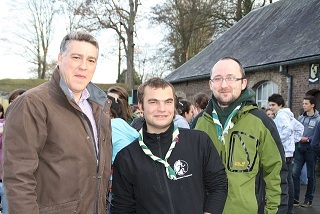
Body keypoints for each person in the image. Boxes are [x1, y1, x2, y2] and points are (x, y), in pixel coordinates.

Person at [2, 31, 112, 213]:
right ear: (60, 59)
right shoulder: (33, 104)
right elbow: (18, 177)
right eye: (76, 57)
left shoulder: (99, 107)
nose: (83, 66)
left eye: (91, 60)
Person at [111, 77, 228, 213]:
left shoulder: (199, 142)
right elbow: (122, 208)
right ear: (141, 106)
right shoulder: (126, 158)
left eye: (168, 102)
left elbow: (219, 185)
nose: (162, 109)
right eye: (154, 102)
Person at [194, 57, 288, 214]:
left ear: (243, 82)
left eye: (230, 78)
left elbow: (276, 174)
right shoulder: (199, 123)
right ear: (211, 84)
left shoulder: (261, 122)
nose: (224, 85)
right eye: (218, 79)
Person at [268, 93, 303, 214]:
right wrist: (293, 142)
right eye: (270, 105)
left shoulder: (282, 115)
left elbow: (288, 129)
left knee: (286, 182)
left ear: (280, 105)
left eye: (273, 105)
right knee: (288, 180)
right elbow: (299, 128)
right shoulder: (287, 114)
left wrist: (278, 142)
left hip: (284, 153)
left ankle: (287, 209)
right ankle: (289, 209)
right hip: (288, 151)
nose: (271, 107)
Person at [293, 95, 320, 207]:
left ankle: (308, 200)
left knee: (310, 175)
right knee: (295, 173)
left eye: (306, 104)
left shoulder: (318, 119)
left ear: (312, 105)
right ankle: (295, 198)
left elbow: (317, 136)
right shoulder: (301, 118)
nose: (304, 105)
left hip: (311, 150)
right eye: (303, 103)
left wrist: (308, 139)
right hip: (300, 148)